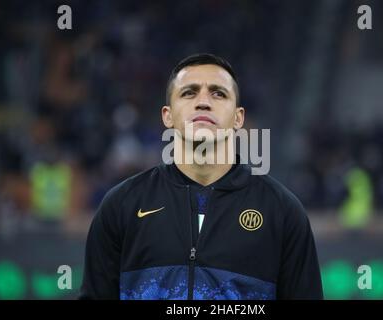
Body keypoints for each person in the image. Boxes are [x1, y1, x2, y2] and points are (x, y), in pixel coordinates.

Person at [79, 53, 323, 300]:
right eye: (189, 93)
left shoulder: (282, 211)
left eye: (218, 93)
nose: (203, 102)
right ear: (168, 115)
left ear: (238, 118)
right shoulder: (122, 205)